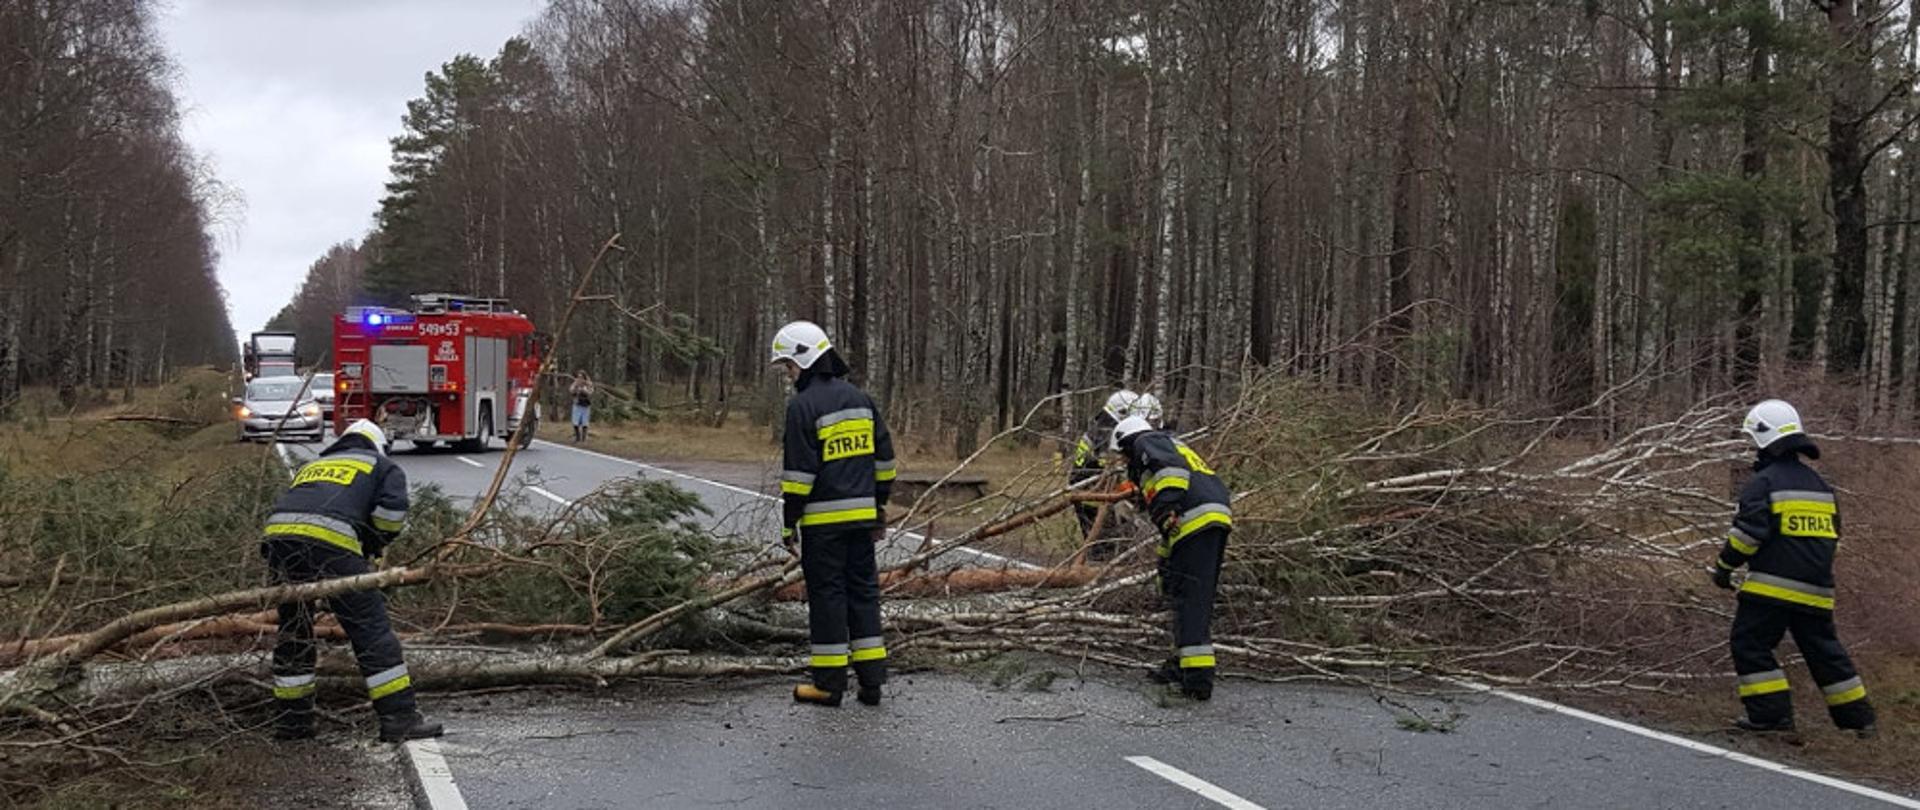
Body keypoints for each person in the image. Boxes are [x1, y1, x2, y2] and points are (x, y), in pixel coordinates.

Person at [263, 419, 442, 742]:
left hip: (279, 541)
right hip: (331, 545)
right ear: (378, 445)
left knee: (295, 631)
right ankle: (399, 718)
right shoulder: (381, 464)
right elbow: (391, 515)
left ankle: (293, 724)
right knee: (369, 629)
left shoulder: (315, 464)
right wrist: (373, 547)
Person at [1711, 399, 1876, 737]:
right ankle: (1859, 719)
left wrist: (1724, 567)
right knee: (1825, 652)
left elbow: (1747, 536)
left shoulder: (1764, 482)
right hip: (1817, 590)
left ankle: (1771, 716)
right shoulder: (1820, 486)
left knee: (1750, 645)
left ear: (1762, 438)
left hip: (1770, 588)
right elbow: (1834, 536)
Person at [771, 320, 897, 707]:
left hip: (823, 526)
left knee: (828, 598)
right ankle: (872, 682)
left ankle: (828, 684)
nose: (790, 376)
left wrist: (789, 523)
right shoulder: (862, 400)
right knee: (864, 594)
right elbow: (885, 462)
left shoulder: (802, 407)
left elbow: (798, 478)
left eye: (789, 367)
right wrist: (877, 508)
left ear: (805, 360)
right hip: (862, 521)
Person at [1111, 415, 1232, 700]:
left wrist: (1164, 509)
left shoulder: (1147, 441)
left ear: (1127, 441)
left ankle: (1198, 679)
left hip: (1195, 521)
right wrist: (1164, 561)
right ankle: (1180, 665)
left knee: (1191, 599)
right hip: (1206, 521)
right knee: (1184, 593)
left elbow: (1171, 473)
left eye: (1123, 455)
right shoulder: (1172, 444)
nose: (1124, 460)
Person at [1070, 390, 1139, 560]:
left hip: (1085, 489)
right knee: (1107, 544)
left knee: (1099, 542)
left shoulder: (1099, 426)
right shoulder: (1108, 434)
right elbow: (1113, 469)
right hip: (1095, 492)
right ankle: (1099, 576)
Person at [569, 371, 595, 442]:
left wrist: (584, 390)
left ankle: (584, 438)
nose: (580, 378)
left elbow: (591, 392)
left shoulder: (588, 384)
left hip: (585, 405)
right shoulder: (575, 383)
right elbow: (571, 390)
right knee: (575, 422)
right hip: (577, 404)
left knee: (585, 422)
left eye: (581, 377)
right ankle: (577, 437)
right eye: (579, 377)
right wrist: (576, 388)